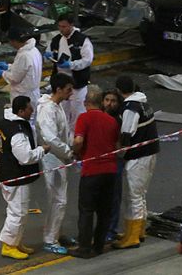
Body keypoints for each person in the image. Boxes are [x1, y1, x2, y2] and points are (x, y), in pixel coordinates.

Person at [0, 96, 51, 260]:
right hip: (17, 178)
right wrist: (42, 150)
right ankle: (9, 246)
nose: (32, 111)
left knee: (15, 211)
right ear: (21, 111)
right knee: (18, 213)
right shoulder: (18, 132)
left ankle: (15, 241)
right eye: (29, 108)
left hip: (7, 175)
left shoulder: (4, 124)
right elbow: (26, 157)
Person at [69, 85, 120, 258]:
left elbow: (78, 140)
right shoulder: (112, 121)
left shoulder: (84, 118)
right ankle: (98, 246)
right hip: (110, 171)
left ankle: (84, 247)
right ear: (101, 103)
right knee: (104, 211)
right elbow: (118, 146)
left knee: (87, 210)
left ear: (86, 103)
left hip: (91, 171)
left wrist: (76, 152)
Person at [113, 76, 160, 249]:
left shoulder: (130, 108)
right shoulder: (143, 103)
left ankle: (132, 236)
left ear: (119, 91)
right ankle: (138, 231)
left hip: (138, 157)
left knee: (134, 196)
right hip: (149, 154)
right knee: (140, 194)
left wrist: (119, 153)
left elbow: (127, 133)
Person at [36, 73, 75, 255]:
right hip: (53, 158)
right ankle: (50, 239)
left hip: (60, 157)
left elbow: (64, 132)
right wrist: (69, 152)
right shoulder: (47, 110)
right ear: (58, 89)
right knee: (58, 199)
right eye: (68, 89)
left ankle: (56, 233)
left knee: (59, 199)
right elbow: (51, 138)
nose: (71, 93)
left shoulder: (57, 107)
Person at [44, 13, 94, 127]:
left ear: (71, 25)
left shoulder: (82, 40)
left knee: (78, 113)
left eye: (64, 27)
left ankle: (77, 137)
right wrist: (47, 56)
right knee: (62, 112)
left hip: (77, 83)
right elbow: (48, 57)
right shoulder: (56, 40)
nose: (61, 29)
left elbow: (87, 60)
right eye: (60, 26)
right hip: (61, 83)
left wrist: (71, 64)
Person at [0, 26, 42, 114]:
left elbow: (15, 78)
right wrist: (9, 67)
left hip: (23, 96)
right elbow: (23, 68)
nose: (10, 44)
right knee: (32, 119)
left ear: (14, 41)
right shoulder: (34, 50)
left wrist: (3, 73)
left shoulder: (24, 55)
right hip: (33, 93)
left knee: (23, 121)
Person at [102, 89, 125, 242]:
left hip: (114, 161)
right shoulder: (99, 117)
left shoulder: (119, 120)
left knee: (113, 197)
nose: (109, 103)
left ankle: (111, 229)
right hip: (102, 162)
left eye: (113, 101)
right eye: (107, 100)